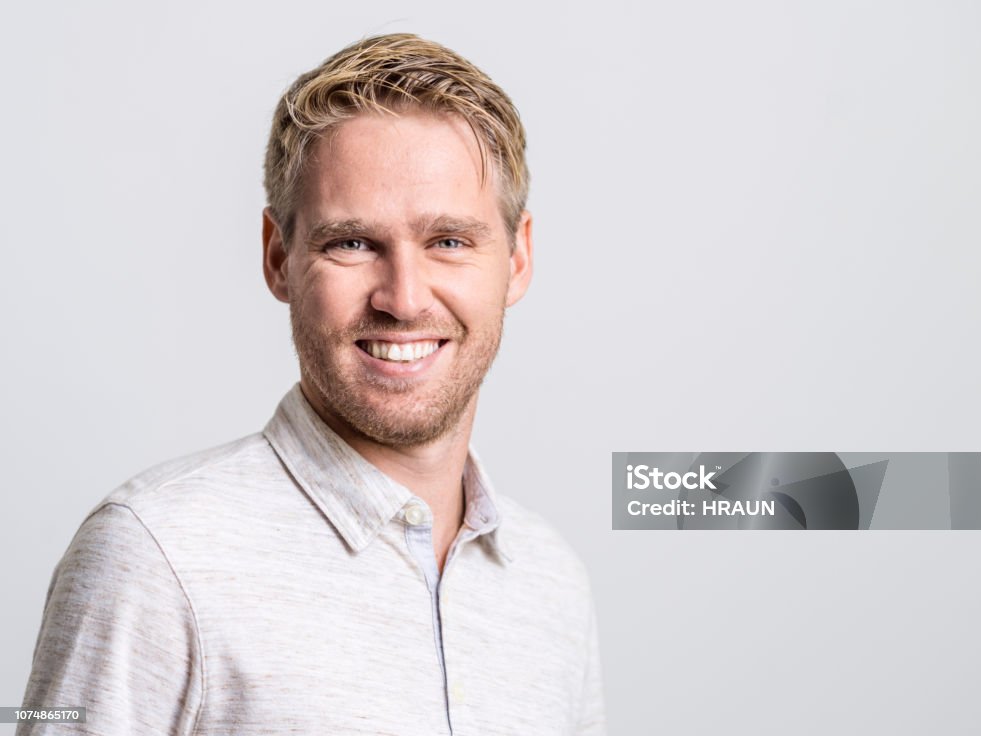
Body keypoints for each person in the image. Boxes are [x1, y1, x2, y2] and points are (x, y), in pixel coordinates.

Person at [17, 34, 605, 735]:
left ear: (517, 258)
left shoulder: (551, 584)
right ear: (278, 258)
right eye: (352, 243)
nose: (404, 298)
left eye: (449, 240)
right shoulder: (152, 556)